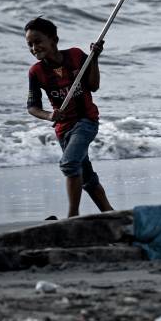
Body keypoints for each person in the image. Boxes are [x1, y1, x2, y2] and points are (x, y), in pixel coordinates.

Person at [25, 17, 114, 218]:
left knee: (69, 164)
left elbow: (93, 86)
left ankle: (72, 217)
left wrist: (94, 58)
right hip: (63, 130)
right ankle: (112, 216)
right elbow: (32, 107)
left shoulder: (75, 56)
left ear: (53, 40)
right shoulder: (36, 72)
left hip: (86, 122)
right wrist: (49, 115)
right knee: (87, 179)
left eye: (38, 41)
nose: (34, 47)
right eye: (29, 44)